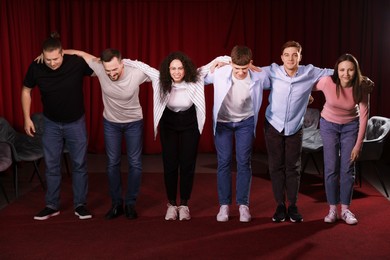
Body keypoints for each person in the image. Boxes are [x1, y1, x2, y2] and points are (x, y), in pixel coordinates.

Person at [123, 52, 229, 221]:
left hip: (189, 123)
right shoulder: (159, 78)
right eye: (173, 68)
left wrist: (228, 61)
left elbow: (219, 59)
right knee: (170, 164)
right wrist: (121, 61)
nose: (177, 72)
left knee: (187, 164)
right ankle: (172, 204)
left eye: (180, 68)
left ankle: (184, 204)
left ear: (186, 69)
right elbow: (139, 64)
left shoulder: (196, 76)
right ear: (168, 69)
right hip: (168, 122)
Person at [63, 48, 150, 220]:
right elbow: (80, 54)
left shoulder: (137, 73)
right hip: (111, 123)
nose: (111, 73)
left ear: (122, 63)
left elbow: (159, 75)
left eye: (115, 69)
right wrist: (61, 51)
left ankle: (130, 203)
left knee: (135, 163)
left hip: (133, 122)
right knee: (112, 163)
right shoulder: (100, 67)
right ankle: (117, 203)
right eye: (108, 70)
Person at [22, 32, 94, 220]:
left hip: (75, 122)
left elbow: (96, 62)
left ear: (62, 53)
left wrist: (72, 51)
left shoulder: (75, 63)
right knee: (52, 165)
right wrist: (27, 118)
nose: (52, 63)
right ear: (42, 56)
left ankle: (80, 204)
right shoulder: (36, 66)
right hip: (51, 123)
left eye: (56, 58)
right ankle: (52, 205)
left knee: (79, 164)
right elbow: (26, 90)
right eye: (48, 59)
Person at [261, 40, 333, 223]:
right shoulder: (273, 71)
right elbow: (248, 69)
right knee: (275, 167)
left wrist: (358, 76)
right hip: (273, 125)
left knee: (293, 168)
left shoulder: (310, 72)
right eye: (287, 55)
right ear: (281, 57)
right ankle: (279, 206)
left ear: (300, 56)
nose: (291, 58)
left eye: (295, 54)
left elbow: (334, 73)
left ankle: (292, 205)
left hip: (295, 127)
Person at [204, 45, 269, 222]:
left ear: (251, 64)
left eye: (244, 68)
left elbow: (282, 78)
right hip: (223, 123)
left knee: (243, 162)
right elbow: (196, 75)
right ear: (231, 63)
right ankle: (224, 206)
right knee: (224, 162)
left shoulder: (259, 75)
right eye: (237, 68)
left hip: (245, 123)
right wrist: (218, 60)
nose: (240, 72)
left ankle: (243, 205)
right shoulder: (220, 72)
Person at [313, 53, 373, 225]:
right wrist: (307, 97)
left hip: (350, 127)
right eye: (342, 70)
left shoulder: (361, 86)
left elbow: (364, 116)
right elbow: (304, 86)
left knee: (347, 169)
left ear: (356, 71)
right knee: (331, 168)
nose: (346, 74)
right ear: (336, 70)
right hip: (328, 125)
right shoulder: (327, 82)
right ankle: (332, 209)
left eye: (350, 70)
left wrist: (358, 145)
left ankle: (345, 210)